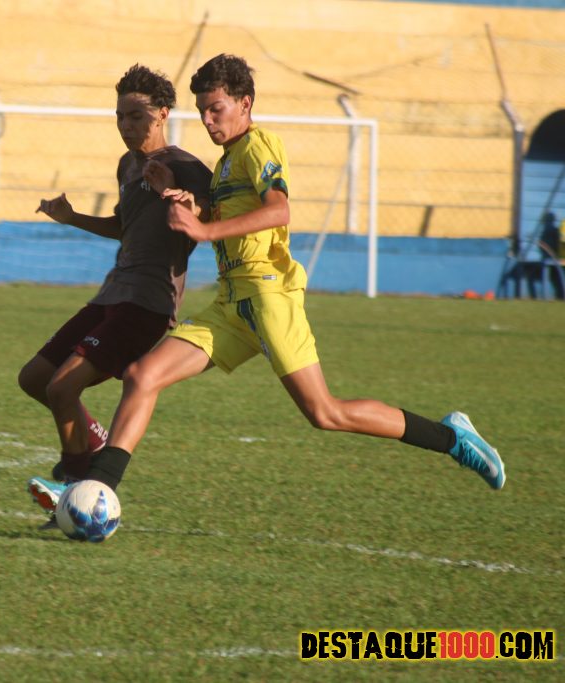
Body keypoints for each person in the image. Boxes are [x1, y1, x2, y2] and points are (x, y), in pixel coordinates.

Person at [28, 54, 505, 516]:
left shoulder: (260, 145)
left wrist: (204, 230)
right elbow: (211, 215)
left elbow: (279, 210)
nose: (208, 121)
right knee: (142, 376)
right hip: (231, 304)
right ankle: (95, 486)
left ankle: (451, 438)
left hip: (270, 297)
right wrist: (182, 201)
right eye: (203, 111)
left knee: (325, 413)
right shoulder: (225, 163)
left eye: (216, 109)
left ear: (245, 104)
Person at [19, 64, 212, 520]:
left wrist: (178, 196)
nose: (126, 126)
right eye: (120, 117)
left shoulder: (186, 167)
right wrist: (72, 218)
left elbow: (208, 218)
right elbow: (125, 227)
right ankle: (93, 446)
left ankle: (75, 487)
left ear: (162, 113)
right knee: (34, 379)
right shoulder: (127, 165)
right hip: (113, 292)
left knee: (63, 387)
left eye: (136, 116)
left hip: (148, 303)